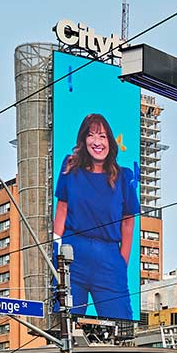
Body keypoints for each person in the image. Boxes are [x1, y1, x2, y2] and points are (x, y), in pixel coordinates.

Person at [53, 112, 138, 318]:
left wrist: (121, 262)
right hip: (72, 254)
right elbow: (62, 208)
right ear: (84, 140)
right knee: (65, 323)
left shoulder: (124, 176)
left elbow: (128, 222)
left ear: (110, 141)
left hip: (109, 257)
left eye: (103, 136)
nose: (97, 142)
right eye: (91, 135)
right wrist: (56, 251)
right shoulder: (70, 167)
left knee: (120, 325)